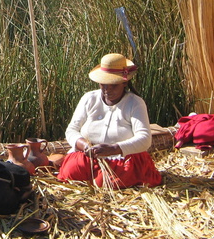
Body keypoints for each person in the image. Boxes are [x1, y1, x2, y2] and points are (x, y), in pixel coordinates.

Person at [57, 53, 162, 188]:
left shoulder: (135, 103)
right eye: (103, 85)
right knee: (71, 172)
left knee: (106, 182)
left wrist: (114, 148)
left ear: (124, 83)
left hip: (122, 158)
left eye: (113, 85)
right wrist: (84, 145)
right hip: (89, 155)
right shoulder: (89, 98)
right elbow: (72, 129)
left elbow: (144, 139)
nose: (107, 90)